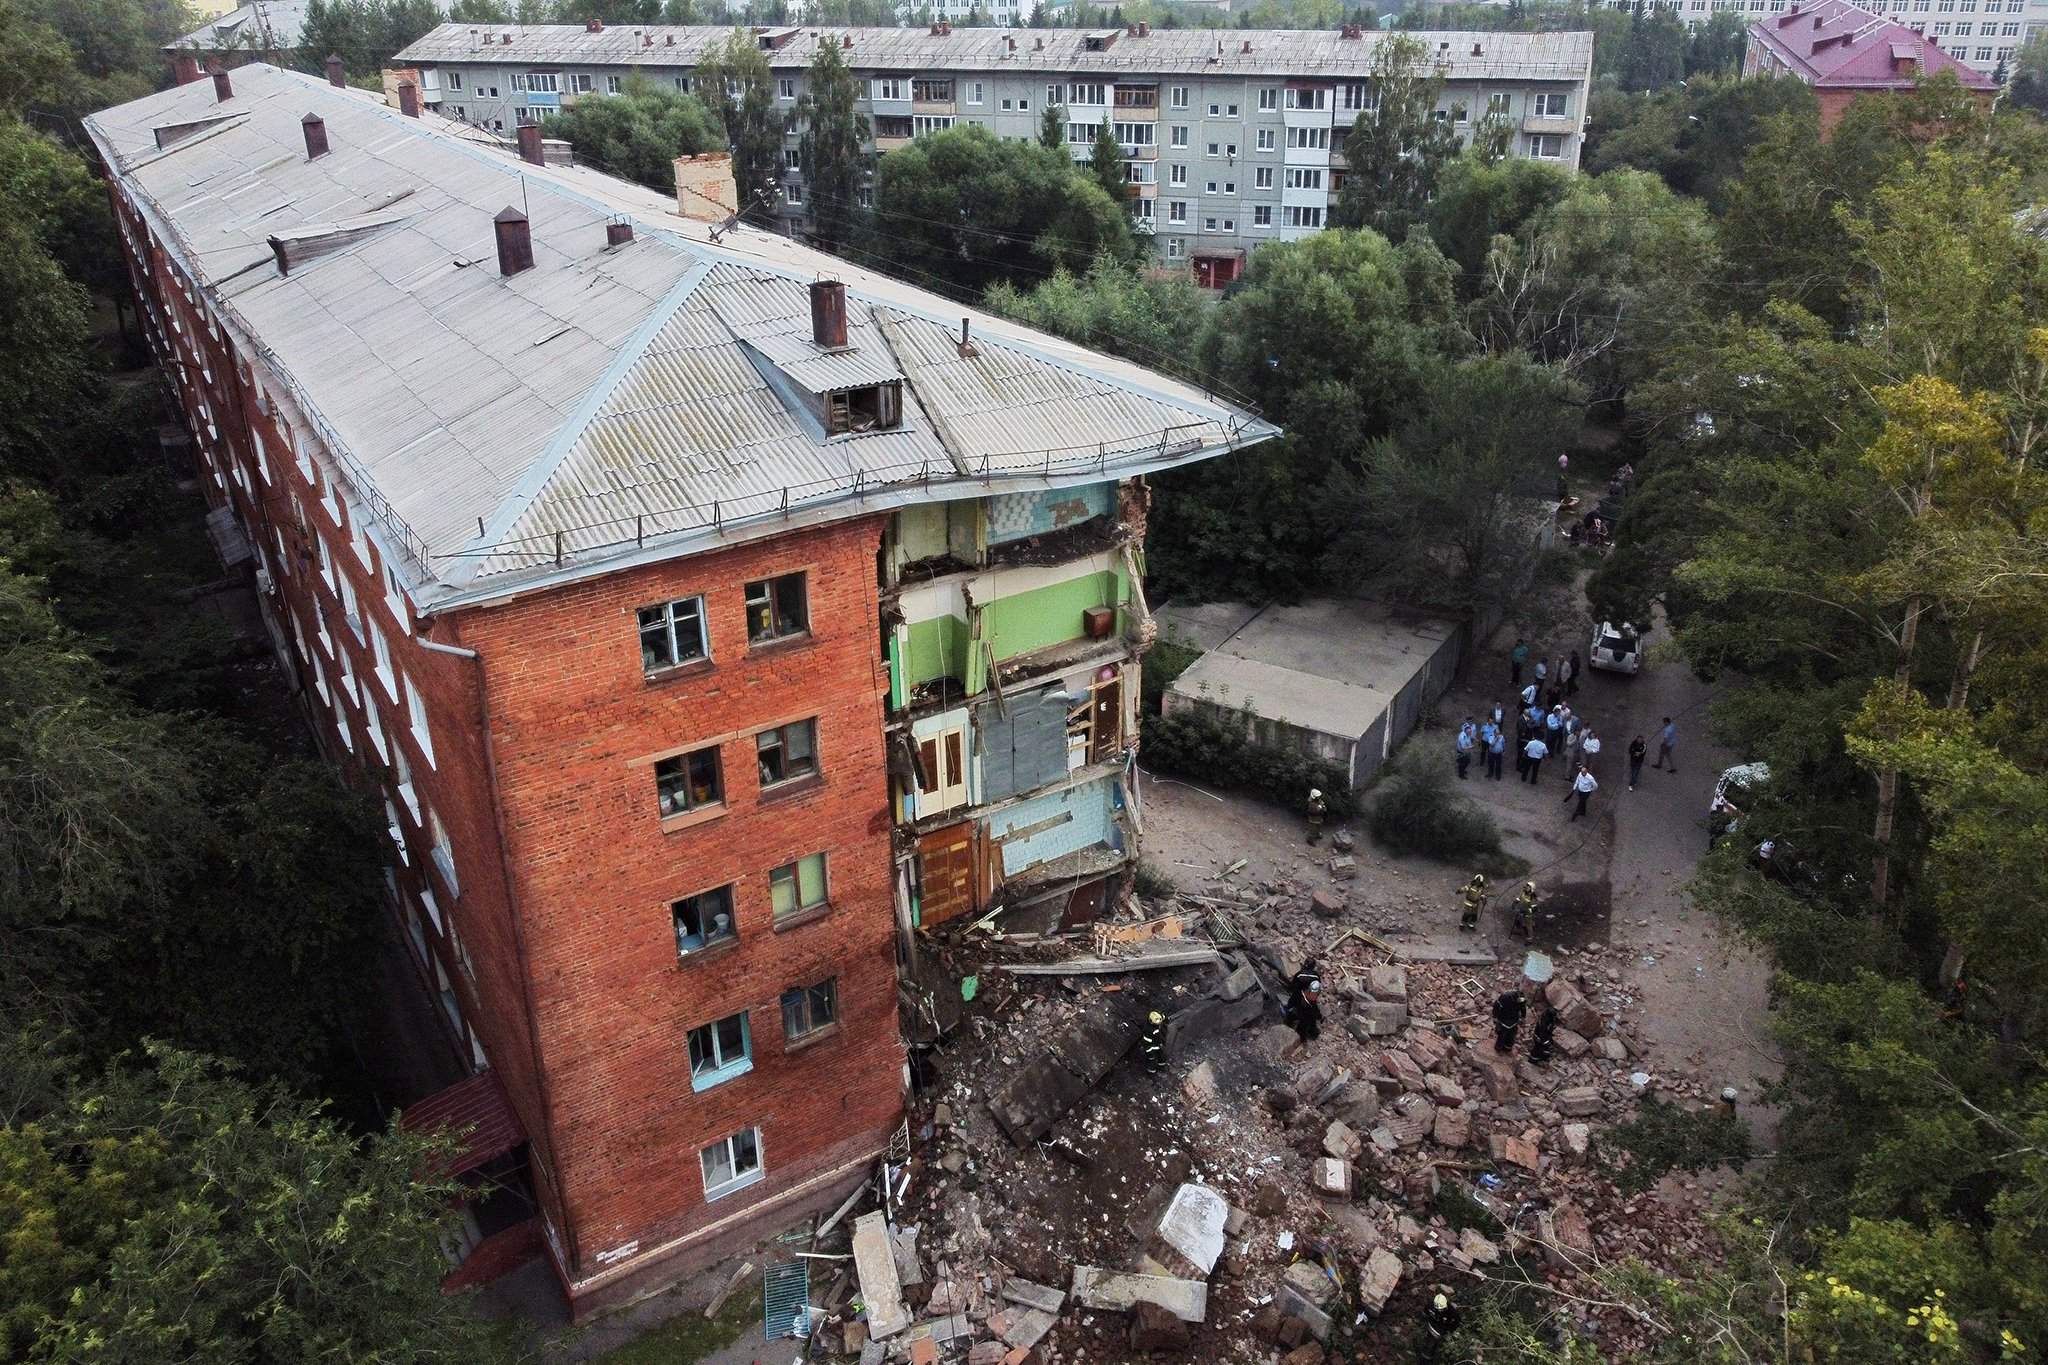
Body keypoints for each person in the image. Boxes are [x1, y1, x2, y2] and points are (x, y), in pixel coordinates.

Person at [1283, 962, 1323, 1046]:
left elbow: (1292, 986)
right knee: (1307, 1019)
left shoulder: (1299, 975)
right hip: (1306, 1001)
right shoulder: (1315, 976)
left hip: (1298, 996)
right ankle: (1307, 1035)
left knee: (1292, 1009)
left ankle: (1288, 1023)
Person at [1422, 1290, 1462, 1362]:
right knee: (1430, 1345)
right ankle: (1426, 1360)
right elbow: (1425, 1313)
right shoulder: (1430, 1306)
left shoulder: (1452, 1312)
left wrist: (1450, 1331)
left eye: (1441, 1309)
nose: (1439, 1311)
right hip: (1432, 1326)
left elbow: (1456, 1323)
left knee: (1440, 1345)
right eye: (1437, 1309)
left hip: (1443, 1328)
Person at [1492, 988, 1527, 1053]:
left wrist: (1523, 1016)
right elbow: (1496, 1006)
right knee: (1502, 1036)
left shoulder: (1521, 999)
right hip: (1503, 1019)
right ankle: (1498, 1049)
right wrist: (1495, 1016)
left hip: (1514, 1020)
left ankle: (1507, 1048)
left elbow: (1523, 1007)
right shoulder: (1505, 997)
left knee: (1511, 1036)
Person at [1141, 1011, 1167, 1075]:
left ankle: (1161, 1064)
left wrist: (1164, 1017)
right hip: (1150, 1046)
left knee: (1160, 1055)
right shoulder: (1154, 1031)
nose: (1159, 1022)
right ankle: (1151, 1071)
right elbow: (1158, 1038)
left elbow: (1161, 1018)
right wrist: (1162, 1043)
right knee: (1153, 1059)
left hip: (1150, 1044)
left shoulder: (1149, 1024)